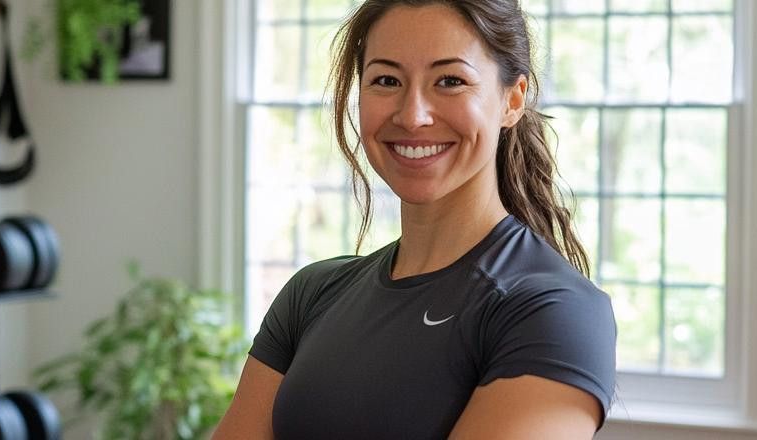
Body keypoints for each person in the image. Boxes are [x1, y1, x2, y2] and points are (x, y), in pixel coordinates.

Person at [213, 1, 616, 438]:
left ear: (512, 100)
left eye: (450, 81)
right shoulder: (311, 295)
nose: (412, 116)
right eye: (387, 80)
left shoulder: (555, 312)